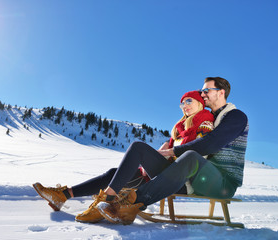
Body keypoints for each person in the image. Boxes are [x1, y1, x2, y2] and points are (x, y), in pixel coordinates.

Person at [33, 90, 214, 224]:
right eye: (182, 103)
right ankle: (63, 195)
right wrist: (162, 150)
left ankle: (107, 200)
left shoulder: (205, 121)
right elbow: (168, 149)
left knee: (138, 147)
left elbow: (200, 151)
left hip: (182, 179)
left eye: (189, 101)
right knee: (115, 172)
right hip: (167, 172)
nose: (184, 105)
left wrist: (166, 153)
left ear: (200, 103)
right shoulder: (181, 128)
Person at [95, 77, 249, 225]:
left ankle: (132, 203)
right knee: (139, 147)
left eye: (206, 91)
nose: (202, 95)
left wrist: (172, 151)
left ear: (221, 92)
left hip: (222, 184)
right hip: (192, 178)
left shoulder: (236, 117)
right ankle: (107, 197)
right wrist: (167, 146)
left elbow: (211, 143)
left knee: (190, 157)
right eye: (202, 92)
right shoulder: (208, 118)